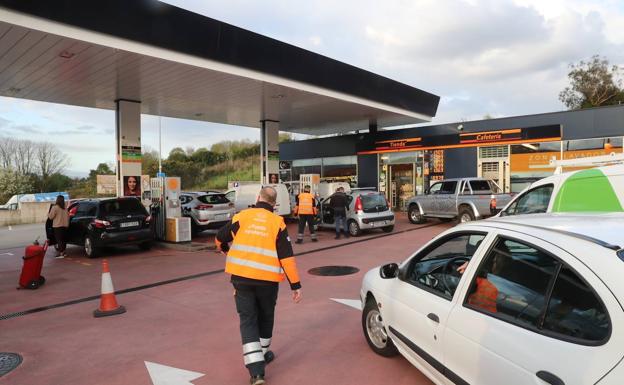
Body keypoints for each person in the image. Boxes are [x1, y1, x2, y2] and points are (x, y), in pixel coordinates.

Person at [216, 186, 302, 385]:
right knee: (266, 316)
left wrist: (224, 248)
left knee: (248, 321)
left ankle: (257, 373)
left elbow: (220, 236)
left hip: (241, 278)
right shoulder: (277, 223)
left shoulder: (242, 216)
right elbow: (287, 257)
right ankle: (261, 357)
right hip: (268, 281)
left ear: (258, 198)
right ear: (274, 203)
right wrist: (295, 285)